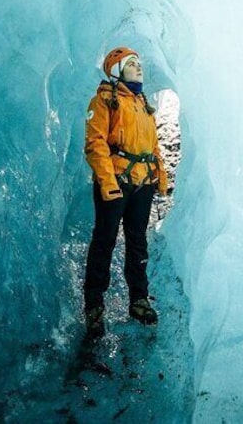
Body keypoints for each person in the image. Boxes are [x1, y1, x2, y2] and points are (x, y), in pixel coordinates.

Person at [83, 46, 169, 337]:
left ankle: (139, 298)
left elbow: (152, 146)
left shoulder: (143, 105)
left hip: (142, 184)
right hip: (116, 180)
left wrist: (161, 175)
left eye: (139, 63)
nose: (139, 67)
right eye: (131, 64)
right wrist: (107, 182)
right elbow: (95, 144)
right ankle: (94, 303)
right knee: (104, 241)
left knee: (137, 242)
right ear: (117, 70)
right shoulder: (106, 101)